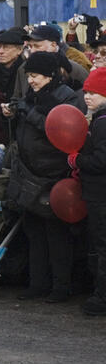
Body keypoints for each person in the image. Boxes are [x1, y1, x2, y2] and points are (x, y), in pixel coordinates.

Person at [5, 51, 86, 302]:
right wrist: (14, 113)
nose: (31, 80)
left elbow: (57, 130)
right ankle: (37, 284)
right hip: (30, 173)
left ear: (51, 75)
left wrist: (26, 111)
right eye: (29, 75)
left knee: (56, 236)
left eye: (36, 76)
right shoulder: (34, 95)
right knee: (35, 233)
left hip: (53, 175)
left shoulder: (67, 98)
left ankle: (60, 287)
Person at [76, 68, 106, 315]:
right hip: (97, 193)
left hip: (100, 194)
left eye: (94, 93)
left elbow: (101, 160)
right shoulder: (98, 120)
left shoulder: (102, 123)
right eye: (86, 91)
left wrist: (77, 161)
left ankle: (101, 298)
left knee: (102, 245)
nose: (87, 97)